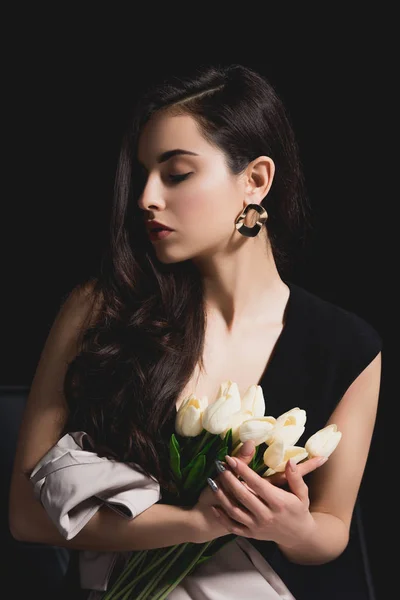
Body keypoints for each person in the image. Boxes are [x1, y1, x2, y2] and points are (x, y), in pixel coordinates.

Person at [9, 63, 382, 600]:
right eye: (143, 175)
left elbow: (330, 529)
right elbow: (26, 515)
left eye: (177, 173)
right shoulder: (101, 309)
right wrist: (196, 524)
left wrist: (291, 527)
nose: (146, 199)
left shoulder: (348, 346)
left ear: (255, 180)